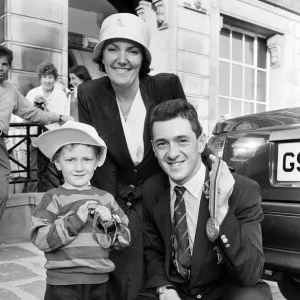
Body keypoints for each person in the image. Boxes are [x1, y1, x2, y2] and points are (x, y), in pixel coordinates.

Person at [77, 13, 189, 300]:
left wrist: (214, 170)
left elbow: (185, 136)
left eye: (133, 50)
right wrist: (107, 207)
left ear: (143, 59)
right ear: (102, 55)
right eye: (113, 49)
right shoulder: (89, 93)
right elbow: (98, 155)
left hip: (161, 191)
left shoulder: (165, 86)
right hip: (116, 192)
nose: (122, 59)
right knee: (112, 262)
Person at [136, 99, 272, 300]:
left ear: (201, 143)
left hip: (223, 290)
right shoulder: (151, 189)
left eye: (182, 140)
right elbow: (154, 251)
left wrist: (222, 209)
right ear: (154, 149)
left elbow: (249, 274)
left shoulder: (242, 190)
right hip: (177, 289)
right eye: (162, 144)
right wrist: (165, 289)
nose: (172, 154)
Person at [31, 121, 131, 300]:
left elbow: (124, 240)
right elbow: (40, 239)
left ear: (96, 162)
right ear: (57, 163)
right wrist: (75, 221)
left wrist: (108, 223)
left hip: (100, 284)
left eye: (86, 159)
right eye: (70, 160)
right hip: (62, 285)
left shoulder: (106, 199)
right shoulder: (52, 198)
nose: (79, 167)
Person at [0, 45, 72, 219]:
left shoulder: (11, 90)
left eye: (4, 64)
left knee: (3, 190)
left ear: (9, 67)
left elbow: (32, 113)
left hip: (1, 143)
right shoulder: (33, 91)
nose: (0, 68)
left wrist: (60, 117)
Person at [26, 62, 70, 192]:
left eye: (50, 77)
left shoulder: (60, 95)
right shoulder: (32, 93)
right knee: (33, 171)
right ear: (40, 78)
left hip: (52, 140)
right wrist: (34, 107)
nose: (47, 80)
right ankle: (32, 202)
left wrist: (47, 106)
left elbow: (64, 117)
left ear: (55, 79)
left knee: (53, 173)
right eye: (45, 77)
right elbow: (25, 116)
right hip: (34, 138)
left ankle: (54, 202)